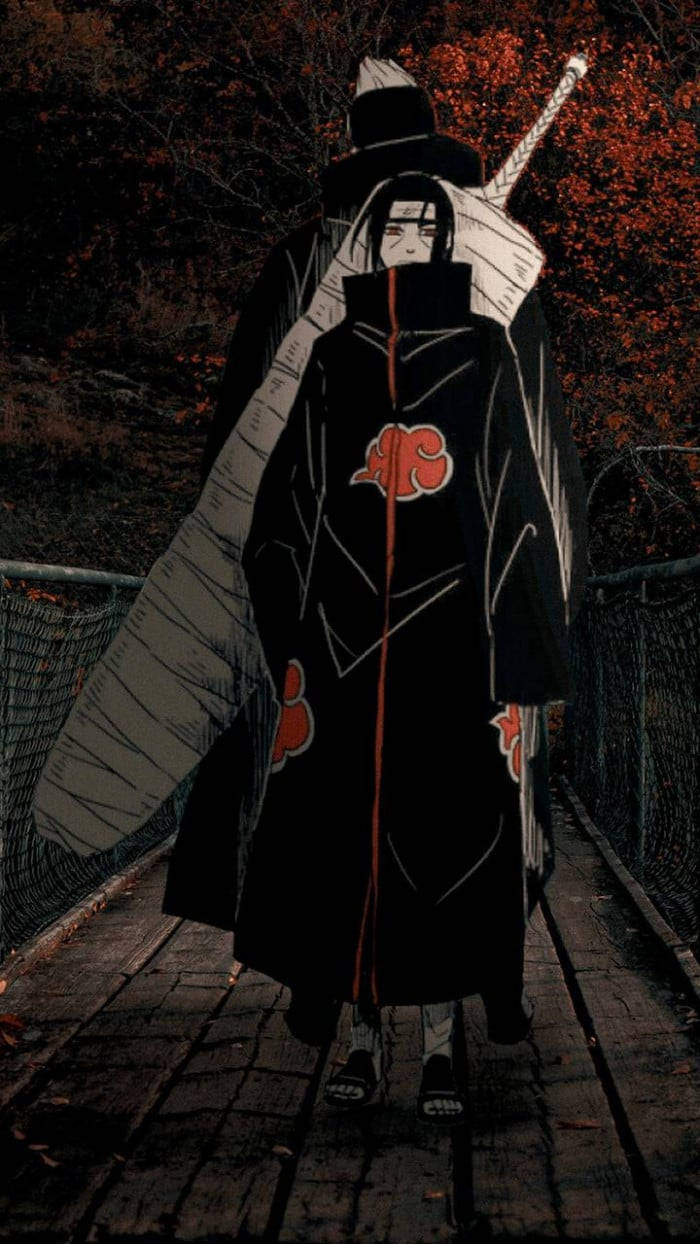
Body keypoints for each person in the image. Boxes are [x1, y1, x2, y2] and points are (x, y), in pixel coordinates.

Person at [234, 170, 586, 1120]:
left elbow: (512, 497)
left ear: (443, 240)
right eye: (395, 224)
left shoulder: (480, 349)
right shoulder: (334, 355)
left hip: (450, 639)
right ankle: (359, 1040)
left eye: (426, 224)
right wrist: (293, 624)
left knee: (446, 835)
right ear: (374, 238)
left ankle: (438, 1045)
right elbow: (290, 498)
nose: (409, 238)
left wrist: (519, 644)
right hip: (342, 642)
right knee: (345, 838)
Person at [160, 60, 485, 981]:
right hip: (350, 541)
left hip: (366, 545)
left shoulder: (388, 260)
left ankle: (359, 948)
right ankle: (346, 950)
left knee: (344, 751)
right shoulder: (354, 260)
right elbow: (254, 415)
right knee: (367, 751)